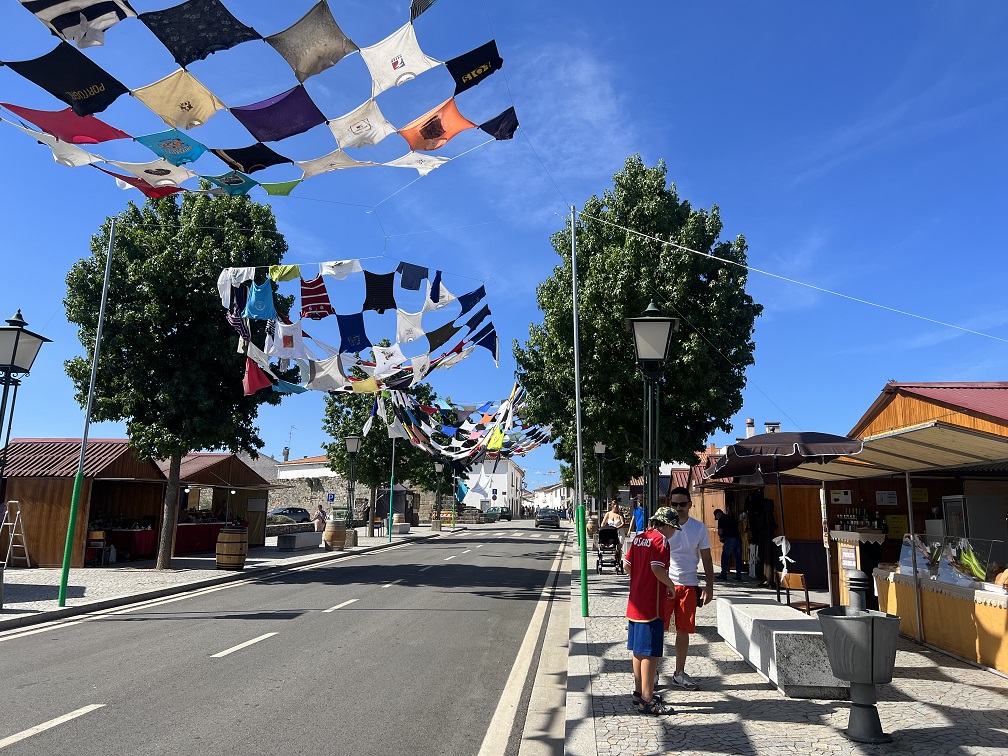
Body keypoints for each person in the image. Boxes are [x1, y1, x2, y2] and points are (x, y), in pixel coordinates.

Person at [623, 505, 682, 715]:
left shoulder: (640, 537)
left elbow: (627, 565)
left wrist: (639, 581)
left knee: (638, 650)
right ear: (665, 525)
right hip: (651, 604)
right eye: (673, 528)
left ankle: (639, 692)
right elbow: (657, 568)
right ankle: (648, 699)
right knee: (650, 652)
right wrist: (670, 585)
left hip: (635, 602)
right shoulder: (660, 541)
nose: (674, 532)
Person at [666, 486, 714, 691]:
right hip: (665, 584)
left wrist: (709, 586)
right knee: (658, 629)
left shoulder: (698, 528)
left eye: (682, 504)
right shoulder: (663, 527)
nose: (679, 508)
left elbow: (707, 557)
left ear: (690, 504)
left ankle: (679, 672)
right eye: (675, 504)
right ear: (670, 505)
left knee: (684, 631)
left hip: (689, 585)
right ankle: (655, 671)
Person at [714, 507, 743, 581]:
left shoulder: (721, 519)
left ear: (718, 514)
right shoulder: (731, 517)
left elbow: (720, 532)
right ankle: (738, 575)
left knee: (725, 557)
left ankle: (724, 574)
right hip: (738, 538)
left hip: (730, 539)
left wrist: (721, 537)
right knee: (738, 558)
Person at [624, 497, 645, 564]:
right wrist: (629, 530)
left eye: (642, 500)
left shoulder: (647, 509)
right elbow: (632, 520)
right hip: (639, 530)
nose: (641, 502)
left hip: (646, 529)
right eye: (640, 501)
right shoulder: (635, 510)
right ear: (638, 502)